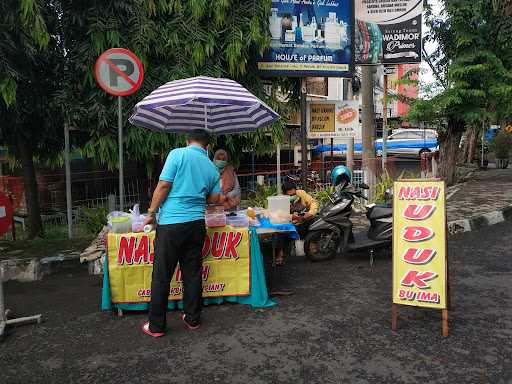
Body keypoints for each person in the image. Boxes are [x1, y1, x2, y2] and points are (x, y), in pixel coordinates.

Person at [142, 129, 224, 338]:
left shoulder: (177, 154)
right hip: (196, 225)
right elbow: (214, 199)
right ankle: (192, 319)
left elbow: (163, 185)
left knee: (162, 275)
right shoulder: (213, 168)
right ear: (207, 147)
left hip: (172, 224)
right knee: (193, 273)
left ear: (187, 141)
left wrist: (151, 212)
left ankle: (156, 326)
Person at [275, 180, 319, 264]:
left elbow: (314, 202)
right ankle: (280, 255)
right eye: (290, 195)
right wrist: (292, 217)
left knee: (315, 222)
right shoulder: (281, 200)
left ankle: (313, 250)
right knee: (279, 231)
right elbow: (279, 215)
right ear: (285, 194)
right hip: (290, 225)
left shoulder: (301, 193)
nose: (293, 196)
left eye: (294, 194)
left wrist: (310, 213)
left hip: (304, 222)